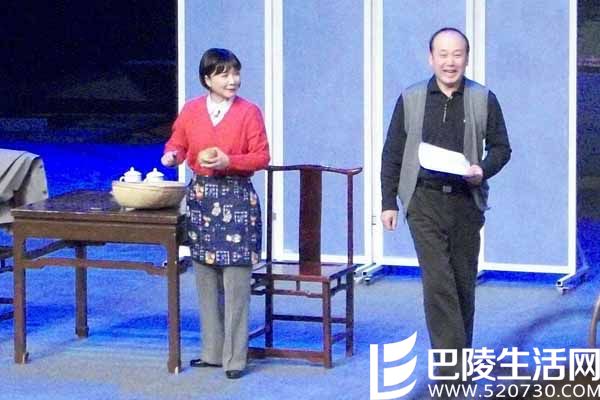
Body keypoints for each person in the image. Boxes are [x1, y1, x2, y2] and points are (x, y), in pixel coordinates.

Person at [380, 27, 511, 376]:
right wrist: (388, 202)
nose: (449, 62)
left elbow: (502, 148)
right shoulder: (411, 98)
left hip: (466, 202)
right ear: (431, 58)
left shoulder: (483, 98)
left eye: (457, 54)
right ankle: (451, 370)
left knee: (462, 283)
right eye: (443, 54)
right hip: (422, 200)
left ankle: (459, 362)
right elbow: (392, 152)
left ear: (466, 58)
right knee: (438, 282)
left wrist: (482, 170)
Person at [161, 48, 270, 379]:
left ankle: (235, 358)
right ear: (207, 79)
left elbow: (261, 156)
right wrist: (172, 155)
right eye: (224, 74)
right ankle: (212, 351)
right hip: (202, 199)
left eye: (235, 73)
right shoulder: (192, 110)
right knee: (205, 278)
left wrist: (229, 161)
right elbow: (177, 143)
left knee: (236, 283)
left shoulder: (248, 112)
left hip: (236, 199)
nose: (232, 80)